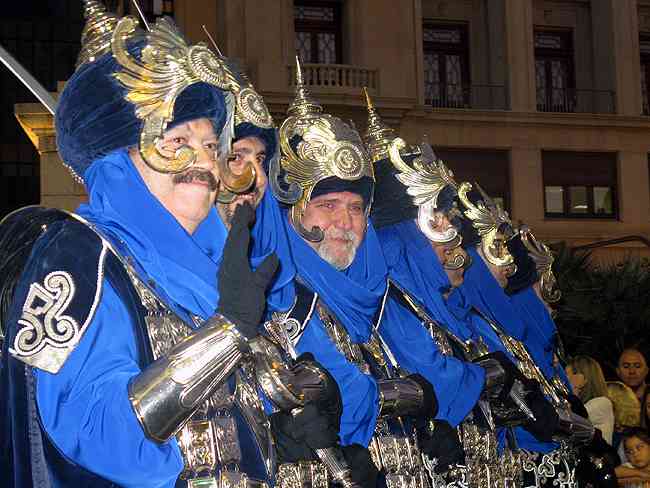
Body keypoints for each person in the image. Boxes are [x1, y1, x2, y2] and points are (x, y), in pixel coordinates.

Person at [0, 6, 334, 487]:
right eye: (178, 140)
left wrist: (281, 425)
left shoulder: (219, 264)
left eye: (211, 146)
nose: (204, 162)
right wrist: (225, 332)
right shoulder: (79, 256)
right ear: (120, 160)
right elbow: (96, 431)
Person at [264, 59, 437, 488]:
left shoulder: (374, 296)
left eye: (356, 208)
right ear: (294, 214)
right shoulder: (277, 295)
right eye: (327, 205)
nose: (345, 222)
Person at [364, 91, 533, 487]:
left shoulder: (444, 308)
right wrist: (488, 374)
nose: (454, 240)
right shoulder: (390, 304)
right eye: (436, 220)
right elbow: (435, 379)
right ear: (405, 236)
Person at [567, 355, 615, 444]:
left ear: (584, 377)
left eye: (568, 375)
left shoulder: (603, 403)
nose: (565, 380)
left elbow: (570, 418)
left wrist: (573, 394)